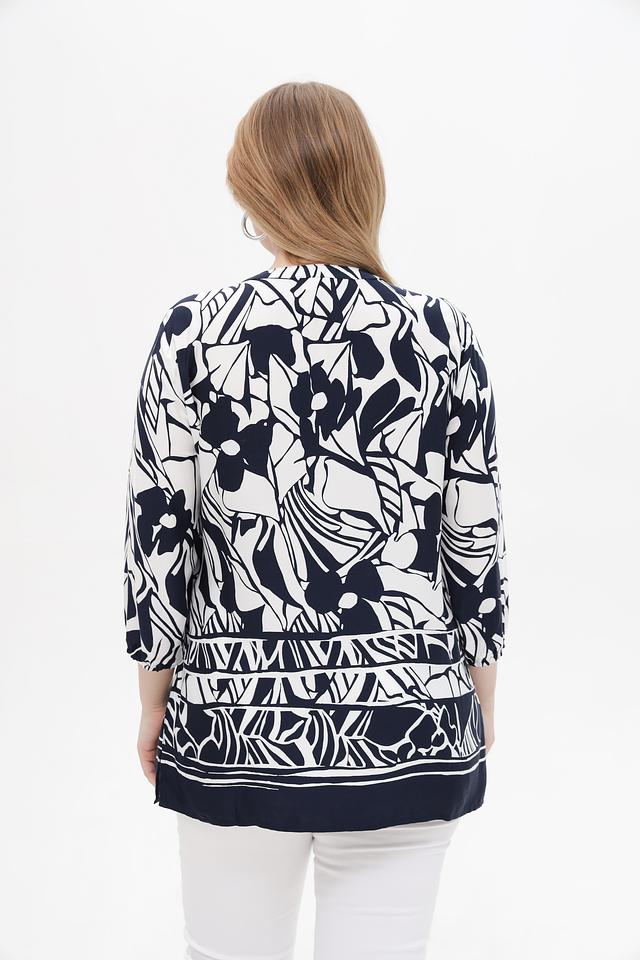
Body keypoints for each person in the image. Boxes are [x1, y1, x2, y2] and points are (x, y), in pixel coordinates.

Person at [123, 80, 509, 960]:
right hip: (408, 722)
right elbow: (473, 538)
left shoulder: (190, 335)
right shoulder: (444, 336)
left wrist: (154, 698)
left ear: (251, 192)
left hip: (231, 724)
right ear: (366, 183)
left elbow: (159, 539)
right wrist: (479, 695)